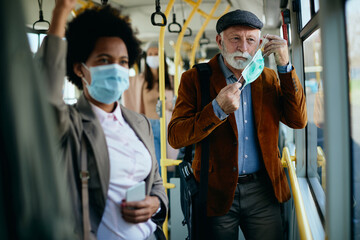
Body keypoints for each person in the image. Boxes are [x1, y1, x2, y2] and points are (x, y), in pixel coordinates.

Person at [168, 9, 307, 240]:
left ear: (259, 44)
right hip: (215, 190)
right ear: (219, 41)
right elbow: (175, 136)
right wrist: (216, 110)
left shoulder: (270, 78)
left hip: (263, 190)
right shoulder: (195, 78)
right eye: (235, 39)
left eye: (251, 40)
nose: (243, 47)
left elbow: (298, 120)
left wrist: (285, 65)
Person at [37, 0, 168, 239]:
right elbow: (44, 92)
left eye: (123, 62)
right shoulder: (70, 124)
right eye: (104, 60)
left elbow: (155, 180)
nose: (116, 69)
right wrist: (60, 11)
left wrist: (156, 202)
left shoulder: (139, 123)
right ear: (79, 69)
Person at [123, 42, 178, 174]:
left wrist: (171, 106)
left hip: (168, 125)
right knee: (156, 166)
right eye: (150, 54)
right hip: (149, 126)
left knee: (170, 165)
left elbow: (180, 103)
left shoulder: (172, 80)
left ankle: (168, 193)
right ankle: (159, 193)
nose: (153, 57)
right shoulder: (139, 81)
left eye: (156, 54)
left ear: (162, 57)